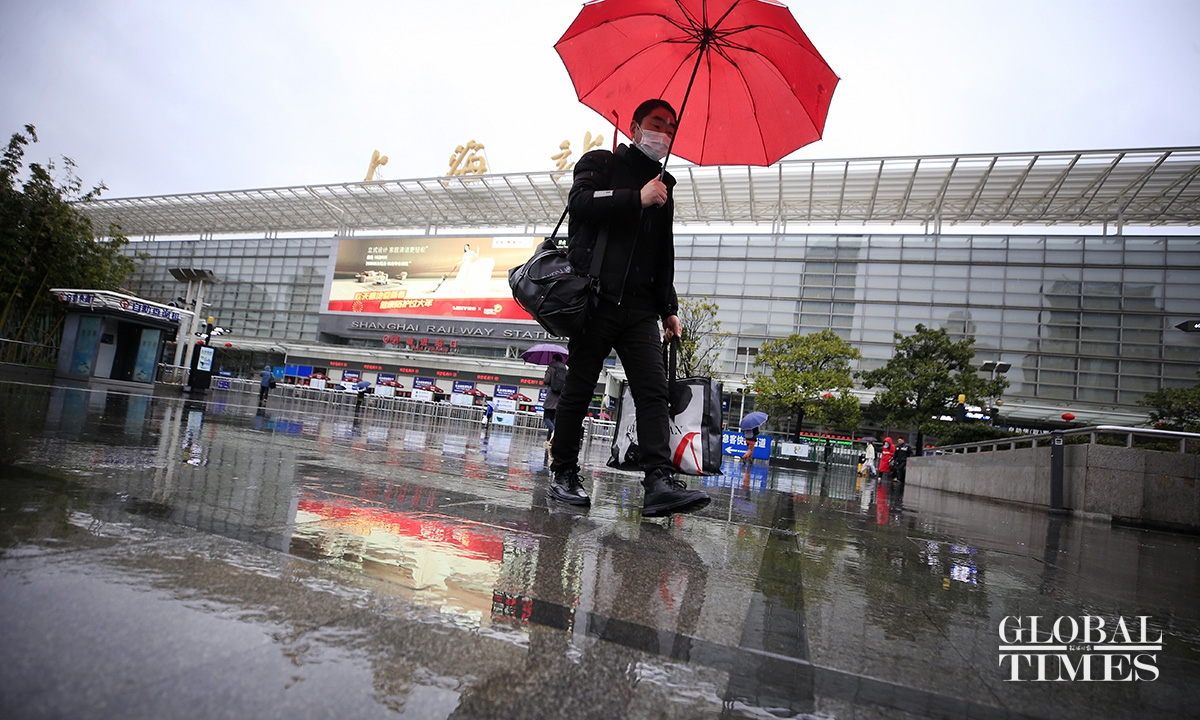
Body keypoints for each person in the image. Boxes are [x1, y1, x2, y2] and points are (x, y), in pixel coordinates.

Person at [547, 98, 710, 518]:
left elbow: (662, 251)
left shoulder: (664, 184)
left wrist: (668, 307)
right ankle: (563, 472)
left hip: (640, 310)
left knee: (653, 391)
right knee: (580, 389)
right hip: (595, 299)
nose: (664, 133)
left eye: (671, 128)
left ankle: (658, 481)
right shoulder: (600, 162)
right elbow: (581, 203)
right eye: (657, 124)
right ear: (635, 127)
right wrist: (636, 198)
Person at [541, 353, 567, 446]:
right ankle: (549, 440)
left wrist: (547, 373)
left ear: (554, 359)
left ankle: (554, 430)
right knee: (552, 419)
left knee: (546, 418)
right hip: (560, 397)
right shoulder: (565, 370)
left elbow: (546, 381)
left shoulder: (551, 368)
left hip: (551, 396)